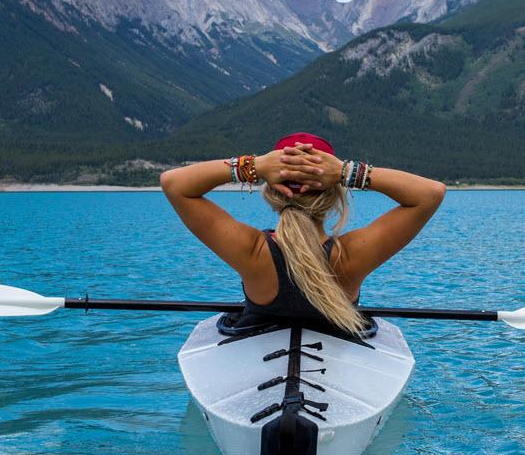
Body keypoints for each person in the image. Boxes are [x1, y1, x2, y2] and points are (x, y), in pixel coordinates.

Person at [159, 132, 446, 335]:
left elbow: (174, 183)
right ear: (335, 193)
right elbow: (430, 193)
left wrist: (254, 165)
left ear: (271, 190)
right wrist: (347, 171)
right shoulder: (351, 256)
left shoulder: (251, 251)